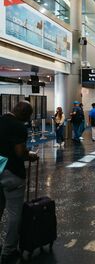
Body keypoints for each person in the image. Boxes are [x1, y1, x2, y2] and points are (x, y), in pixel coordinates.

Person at [0, 101, 38, 261]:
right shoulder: (18, 127)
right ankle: (9, 250)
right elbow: (20, 152)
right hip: (12, 173)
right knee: (15, 213)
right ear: (25, 116)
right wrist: (31, 155)